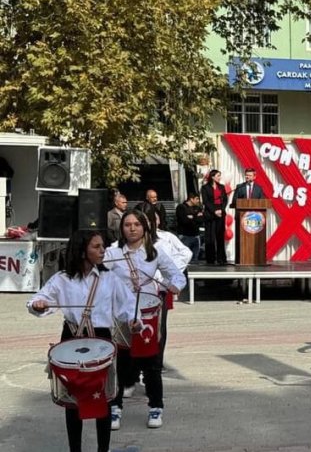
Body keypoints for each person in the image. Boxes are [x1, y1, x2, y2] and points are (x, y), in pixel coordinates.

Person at [28, 230, 137, 452]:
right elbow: (37, 300)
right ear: (81, 251)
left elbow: (128, 305)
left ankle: (103, 450)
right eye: (96, 247)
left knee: (104, 398)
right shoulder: (62, 279)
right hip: (72, 338)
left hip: (102, 338)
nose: (102, 250)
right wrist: (38, 305)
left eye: (102, 246)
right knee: (73, 401)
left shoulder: (110, 278)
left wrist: (135, 321)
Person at [104, 210, 186, 430]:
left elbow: (177, 276)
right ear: (121, 228)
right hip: (121, 316)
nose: (132, 228)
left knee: (151, 365)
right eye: (127, 224)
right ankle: (115, 407)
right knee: (120, 363)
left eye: (136, 224)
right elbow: (97, 275)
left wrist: (173, 286)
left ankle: (155, 406)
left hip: (149, 315)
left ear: (145, 227)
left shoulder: (155, 252)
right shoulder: (112, 253)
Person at [200, 170, 229, 265]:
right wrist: (214, 211)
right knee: (210, 237)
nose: (219, 177)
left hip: (220, 212)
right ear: (212, 177)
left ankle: (221, 258)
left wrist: (221, 209)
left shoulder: (222, 187)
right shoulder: (205, 188)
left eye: (220, 176)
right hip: (210, 213)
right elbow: (206, 201)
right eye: (218, 175)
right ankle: (210, 259)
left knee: (220, 236)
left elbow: (225, 199)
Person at [174, 194, 203, 260]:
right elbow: (184, 220)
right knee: (184, 257)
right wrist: (195, 216)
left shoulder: (198, 208)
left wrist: (192, 217)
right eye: (197, 199)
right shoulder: (181, 207)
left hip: (196, 235)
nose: (198, 201)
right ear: (191, 199)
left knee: (195, 257)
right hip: (185, 235)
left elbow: (201, 220)